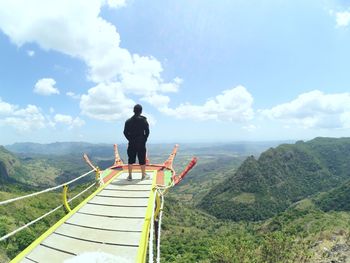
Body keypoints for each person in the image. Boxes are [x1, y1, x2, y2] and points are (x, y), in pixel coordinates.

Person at [123, 104, 150, 181]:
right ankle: (143, 176)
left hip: (132, 143)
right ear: (141, 111)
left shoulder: (128, 121)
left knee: (130, 159)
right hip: (141, 143)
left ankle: (130, 176)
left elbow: (125, 132)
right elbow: (147, 132)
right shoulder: (143, 120)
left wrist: (130, 139)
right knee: (142, 159)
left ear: (133, 111)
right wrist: (144, 139)